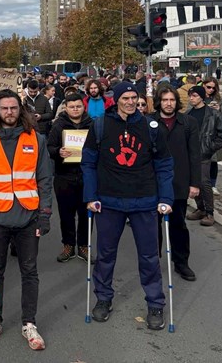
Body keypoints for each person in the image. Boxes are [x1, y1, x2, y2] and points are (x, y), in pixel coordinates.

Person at [81, 82, 174, 331]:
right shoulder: (100, 126)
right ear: (117, 99)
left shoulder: (151, 128)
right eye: (126, 98)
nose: (131, 102)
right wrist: (90, 195)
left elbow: (164, 165)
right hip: (109, 202)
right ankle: (103, 298)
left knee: (149, 256)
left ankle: (155, 303)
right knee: (105, 255)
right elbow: (88, 162)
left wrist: (165, 199)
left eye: (135, 98)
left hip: (144, 201)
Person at [0, 89, 52, 350]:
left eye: (14, 108)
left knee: (30, 272)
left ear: (21, 110)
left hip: (28, 218)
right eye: (4, 108)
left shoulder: (36, 139)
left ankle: (29, 323)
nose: (9, 112)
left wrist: (45, 215)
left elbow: (44, 180)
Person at [149, 86, 202, 281]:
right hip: (153, 182)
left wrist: (194, 183)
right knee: (153, 227)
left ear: (176, 102)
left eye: (171, 100)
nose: (168, 103)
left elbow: (194, 155)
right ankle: (153, 261)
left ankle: (181, 262)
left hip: (179, 181)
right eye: (164, 100)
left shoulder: (188, 122)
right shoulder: (149, 122)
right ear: (159, 102)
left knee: (178, 226)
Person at [47, 93, 92, 263]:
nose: (75, 109)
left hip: (86, 176)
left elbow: (98, 147)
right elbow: (49, 147)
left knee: (86, 213)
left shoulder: (91, 124)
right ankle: (68, 245)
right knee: (66, 214)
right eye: (72, 107)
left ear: (83, 107)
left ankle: (83, 246)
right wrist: (58, 152)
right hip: (64, 176)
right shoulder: (58, 125)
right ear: (66, 108)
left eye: (78, 106)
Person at [185, 86, 222, 229]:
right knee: (193, 182)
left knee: (204, 182)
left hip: (203, 153)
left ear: (202, 97)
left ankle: (209, 212)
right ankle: (200, 208)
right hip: (189, 153)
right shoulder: (188, 113)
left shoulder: (214, 114)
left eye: (195, 95)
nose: (192, 98)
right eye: (190, 95)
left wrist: (209, 148)